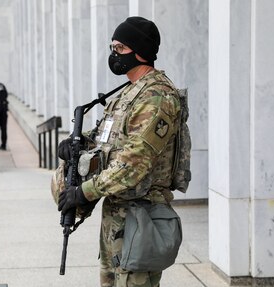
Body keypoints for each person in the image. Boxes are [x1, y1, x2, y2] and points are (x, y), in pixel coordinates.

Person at [57, 17, 182, 286]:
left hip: (141, 215)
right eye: (112, 47)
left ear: (141, 51)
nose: (114, 55)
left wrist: (83, 192)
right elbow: (107, 140)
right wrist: (77, 143)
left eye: (120, 48)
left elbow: (134, 162)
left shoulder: (156, 97)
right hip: (118, 212)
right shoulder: (128, 93)